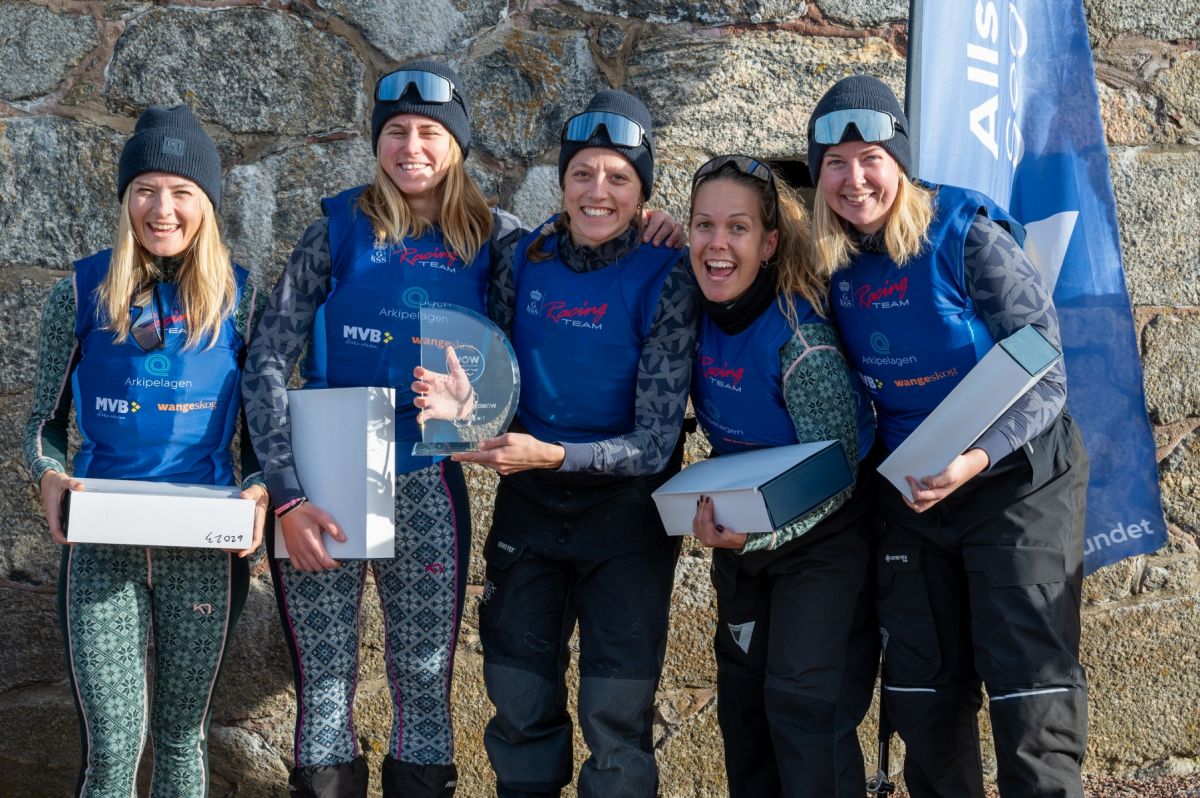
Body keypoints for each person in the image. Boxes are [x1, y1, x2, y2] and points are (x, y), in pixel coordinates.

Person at [242, 64, 679, 797]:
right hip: (328, 478)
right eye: (396, 131)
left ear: (458, 146)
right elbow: (265, 361)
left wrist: (653, 227)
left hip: (424, 479)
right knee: (324, 686)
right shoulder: (338, 227)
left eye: (430, 133)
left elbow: (542, 320)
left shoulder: (501, 241)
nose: (411, 147)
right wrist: (284, 492)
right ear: (376, 140)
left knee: (423, 687)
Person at [807, 75, 1089, 798]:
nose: (854, 178)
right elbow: (735, 230)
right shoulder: (825, 257)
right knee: (923, 699)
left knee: (1029, 694)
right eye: (834, 164)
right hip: (916, 493)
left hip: (1018, 477)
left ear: (899, 159)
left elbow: (1046, 370)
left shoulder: (965, 235)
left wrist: (976, 457)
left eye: (871, 157)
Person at [441, 89, 698, 798]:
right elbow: (492, 382)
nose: (597, 191)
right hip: (530, 510)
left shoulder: (669, 274)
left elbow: (651, 443)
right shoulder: (521, 258)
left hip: (627, 518)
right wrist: (468, 412)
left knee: (614, 717)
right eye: (583, 173)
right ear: (561, 179)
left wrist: (551, 453)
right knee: (518, 702)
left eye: (619, 177)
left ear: (644, 191)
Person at [24, 104, 269, 798]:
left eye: (182, 192)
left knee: (180, 739)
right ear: (126, 197)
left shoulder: (244, 300)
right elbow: (43, 424)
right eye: (145, 189)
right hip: (103, 547)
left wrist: (258, 491)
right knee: (112, 750)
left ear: (208, 203)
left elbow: (265, 437)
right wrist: (47, 474)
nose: (162, 208)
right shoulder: (80, 290)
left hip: (205, 551)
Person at [685, 154, 878, 797]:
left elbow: (836, 473)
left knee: (804, 711)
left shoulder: (801, 340)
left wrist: (757, 538)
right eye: (703, 226)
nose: (718, 244)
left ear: (769, 244)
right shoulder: (689, 312)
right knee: (744, 713)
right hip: (744, 549)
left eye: (737, 228)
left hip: (822, 545)